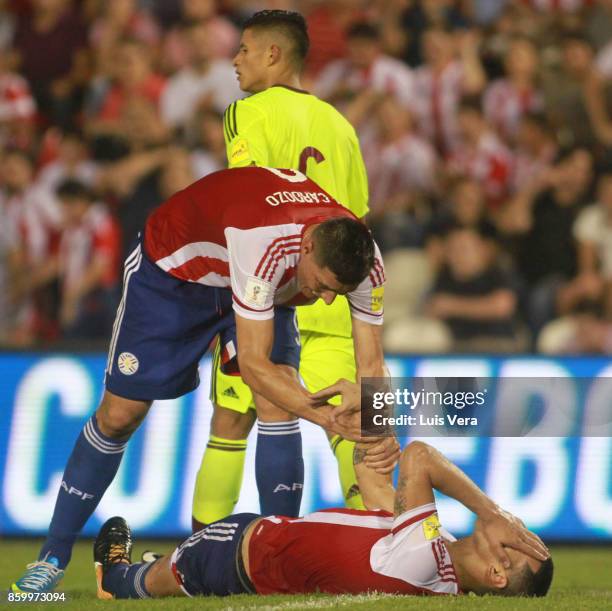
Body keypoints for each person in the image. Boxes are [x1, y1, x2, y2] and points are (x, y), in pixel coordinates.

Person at [11, 166, 393, 594]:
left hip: (256, 280)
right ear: (307, 246)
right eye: (323, 285)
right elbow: (253, 366)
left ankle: (281, 560)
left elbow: (373, 365)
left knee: (279, 399)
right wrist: (325, 417)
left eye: (335, 293)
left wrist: (379, 432)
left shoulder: (365, 261)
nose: (324, 300)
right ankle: (52, 557)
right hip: (174, 274)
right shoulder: (264, 241)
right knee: (120, 415)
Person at [191, 9, 373, 533]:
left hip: (269, 293)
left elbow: (249, 199)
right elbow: (357, 220)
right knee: (357, 427)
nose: (236, 60)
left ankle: (198, 553)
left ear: (273, 54)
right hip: (336, 296)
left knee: (232, 422)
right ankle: (383, 548)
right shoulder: (341, 124)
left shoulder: (246, 113)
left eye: (244, 49)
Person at [92, 440, 552, 600]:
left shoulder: (425, 557)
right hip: (259, 544)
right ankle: (152, 563)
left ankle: (115, 571)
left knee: (129, 585)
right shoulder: (437, 551)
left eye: (516, 542)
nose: (513, 528)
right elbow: (378, 494)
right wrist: (371, 437)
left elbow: (420, 457)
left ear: (495, 574)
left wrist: (490, 509)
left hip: (237, 551)